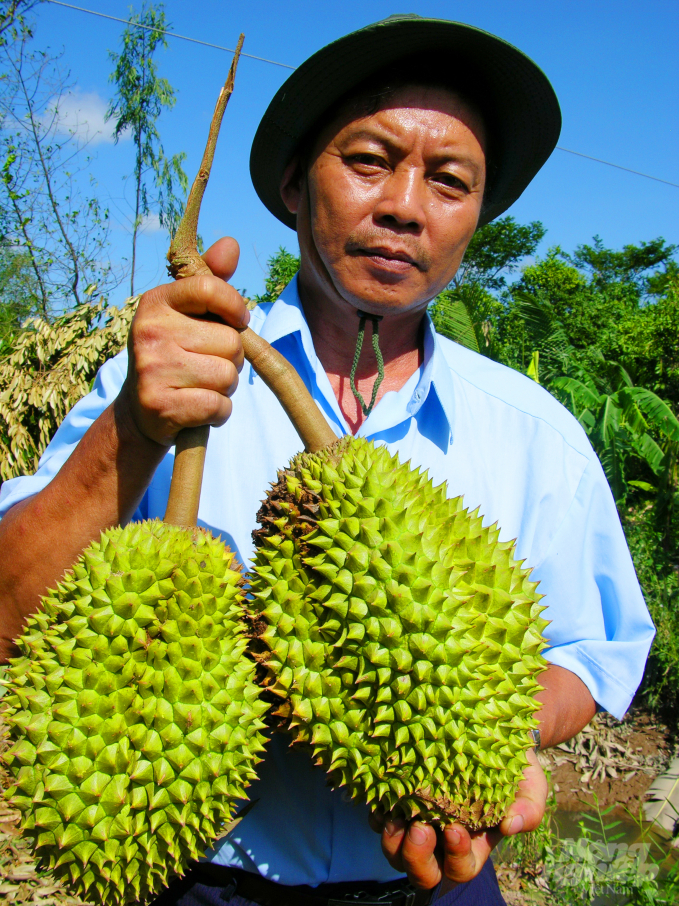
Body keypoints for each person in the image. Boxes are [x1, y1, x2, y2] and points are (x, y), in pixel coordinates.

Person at [0, 14, 655, 906]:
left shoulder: (532, 431)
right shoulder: (151, 379)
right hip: (204, 885)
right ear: (290, 187)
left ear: (475, 218)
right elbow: (9, 613)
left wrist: (487, 747)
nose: (404, 205)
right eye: (368, 160)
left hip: (444, 881)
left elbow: (591, 649)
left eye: (450, 180)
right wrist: (136, 429)